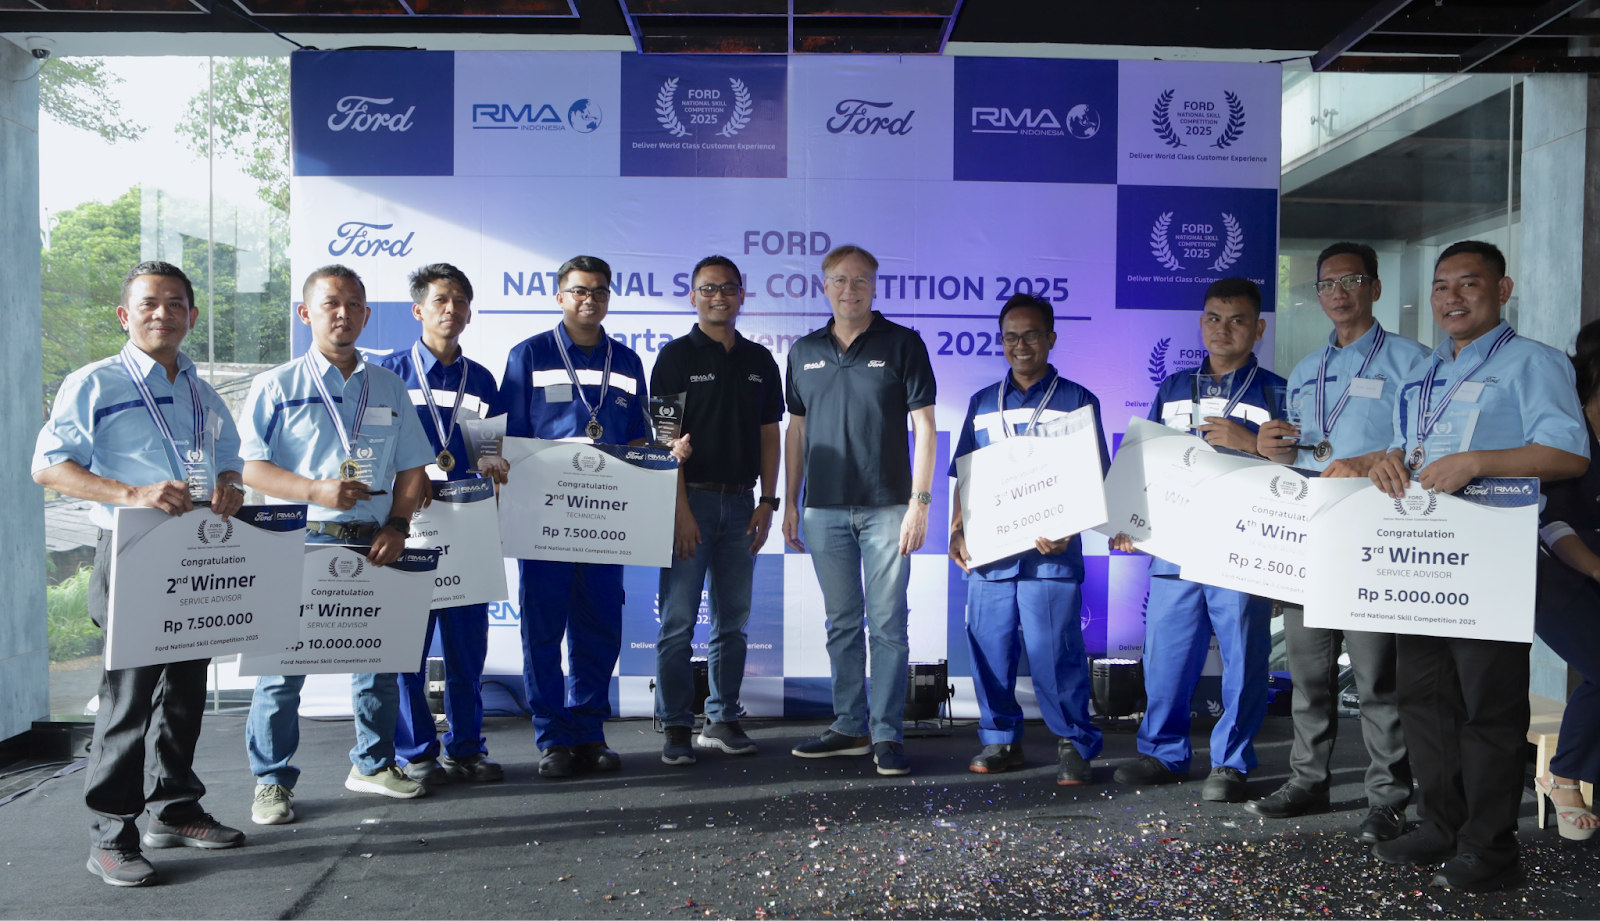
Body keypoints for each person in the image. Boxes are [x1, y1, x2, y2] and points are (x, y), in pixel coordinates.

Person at [1362, 241, 1588, 890]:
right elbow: (1411, 449)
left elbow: (1569, 455)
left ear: (1502, 289)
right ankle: (1440, 824)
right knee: (1423, 698)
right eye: (1441, 286)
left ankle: (1491, 848)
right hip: (1421, 556)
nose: (1452, 298)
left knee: (1488, 705)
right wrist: (1388, 460)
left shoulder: (1533, 362)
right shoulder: (1424, 371)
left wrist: (1480, 461)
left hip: (1491, 555)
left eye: (1468, 283)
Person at [34, 261, 248, 886]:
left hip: (197, 556)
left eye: (175, 303)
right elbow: (49, 467)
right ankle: (111, 835)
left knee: (183, 693)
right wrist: (132, 494)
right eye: (150, 303)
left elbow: (230, 461)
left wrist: (230, 483)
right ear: (125, 315)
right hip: (130, 552)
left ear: (192, 316)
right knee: (128, 701)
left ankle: (174, 810)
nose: (163, 313)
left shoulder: (204, 393)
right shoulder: (94, 382)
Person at [240, 265, 436, 824]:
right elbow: (249, 467)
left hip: (373, 543)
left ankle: (373, 764)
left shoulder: (389, 386)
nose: (342, 313)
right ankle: (271, 782)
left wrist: (398, 524)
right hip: (297, 542)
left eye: (353, 304)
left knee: (377, 663)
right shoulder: (276, 386)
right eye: (330, 303)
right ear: (307, 313)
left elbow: (411, 469)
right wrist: (313, 489)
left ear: (367, 315)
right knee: (282, 672)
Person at [1250, 243, 1429, 843]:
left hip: (1376, 534)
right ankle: (1308, 779)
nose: (1338, 293)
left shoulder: (1412, 360)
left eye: (1351, 280)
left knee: (1377, 678)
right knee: (1308, 671)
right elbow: (1303, 450)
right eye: (1327, 284)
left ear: (1375, 288)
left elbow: (1424, 442)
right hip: (1311, 532)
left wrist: (1373, 459)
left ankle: (1388, 797)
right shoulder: (1306, 370)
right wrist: (1272, 449)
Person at [1110, 277, 1282, 803]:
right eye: (1213, 318)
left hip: (1242, 548)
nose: (1222, 329)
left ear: (1258, 328)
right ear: (1200, 324)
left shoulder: (1277, 391)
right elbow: (1145, 459)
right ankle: (1163, 753)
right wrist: (1129, 518)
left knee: (1244, 660)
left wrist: (1249, 443)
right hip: (1175, 546)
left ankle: (1231, 763)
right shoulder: (1172, 387)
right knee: (1166, 658)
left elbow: (1295, 475)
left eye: (1236, 320)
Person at [496, 255, 654, 779]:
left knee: (599, 628)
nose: (590, 299)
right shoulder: (529, 354)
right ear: (560, 296)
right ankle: (552, 738)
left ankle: (589, 731)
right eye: (580, 290)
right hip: (545, 517)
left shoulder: (627, 361)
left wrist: (664, 454)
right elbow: (510, 435)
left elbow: (637, 437)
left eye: (600, 291)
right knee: (542, 631)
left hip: (607, 518)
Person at [782, 244, 937, 777]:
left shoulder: (903, 343)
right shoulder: (803, 351)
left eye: (861, 280)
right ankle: (850, 726)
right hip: (822, 510)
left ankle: (887, 733)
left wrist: (920, 503)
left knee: (888, 624)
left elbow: (925, 427)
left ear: (874, 285)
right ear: (824, 286)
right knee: (842, 623)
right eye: (840, 280)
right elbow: (796, 431)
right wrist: (789, 501)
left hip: (888, 507)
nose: (850, 290)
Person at [948, 293, 1108, 783]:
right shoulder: (981, 403)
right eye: (1011, 337)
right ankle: (1001, 740)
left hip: (1050, 558)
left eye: (1031, 335)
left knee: (1056, 656)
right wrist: (956, 529)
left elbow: (1095, 480)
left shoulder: (1078, 400)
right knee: (989, 652)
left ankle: (1073, 742)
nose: (1021, 345)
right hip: (991, 556)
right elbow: (964, 477)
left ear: (1051, 339)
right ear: (1001, 341)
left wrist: (1069, 528)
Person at [378, 264, 508, 786]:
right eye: (440, 300)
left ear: (469, 313)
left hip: (466, 526)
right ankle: (417, 752)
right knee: (405, 647)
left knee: (466, 649)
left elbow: (487, 451)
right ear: (418, 310)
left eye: (460, 301)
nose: (451, 309)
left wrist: (493, 463)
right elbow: (375, 451)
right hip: (408, 523)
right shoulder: (387, 375)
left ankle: (467, 748)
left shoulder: (482, 379)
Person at [651, 255, 783, 765]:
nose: (719, 296)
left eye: (728, 288)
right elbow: (665, 444)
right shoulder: (675, 357)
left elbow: (770, 435)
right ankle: (675, 726)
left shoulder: (759, 360)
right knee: (678, 622)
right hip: (691, 503)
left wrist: (768, 501)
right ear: (692, 296)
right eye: (708, 288)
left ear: (742, 295)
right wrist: (679, 510)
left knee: (732, 623)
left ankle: (722, 718)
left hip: (743, 504)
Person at [1533, 317, 1600, 842]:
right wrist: (1596, 567)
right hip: (1554, 568)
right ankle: (1562, 776)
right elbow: (1551, 522)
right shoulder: (1566, 427)